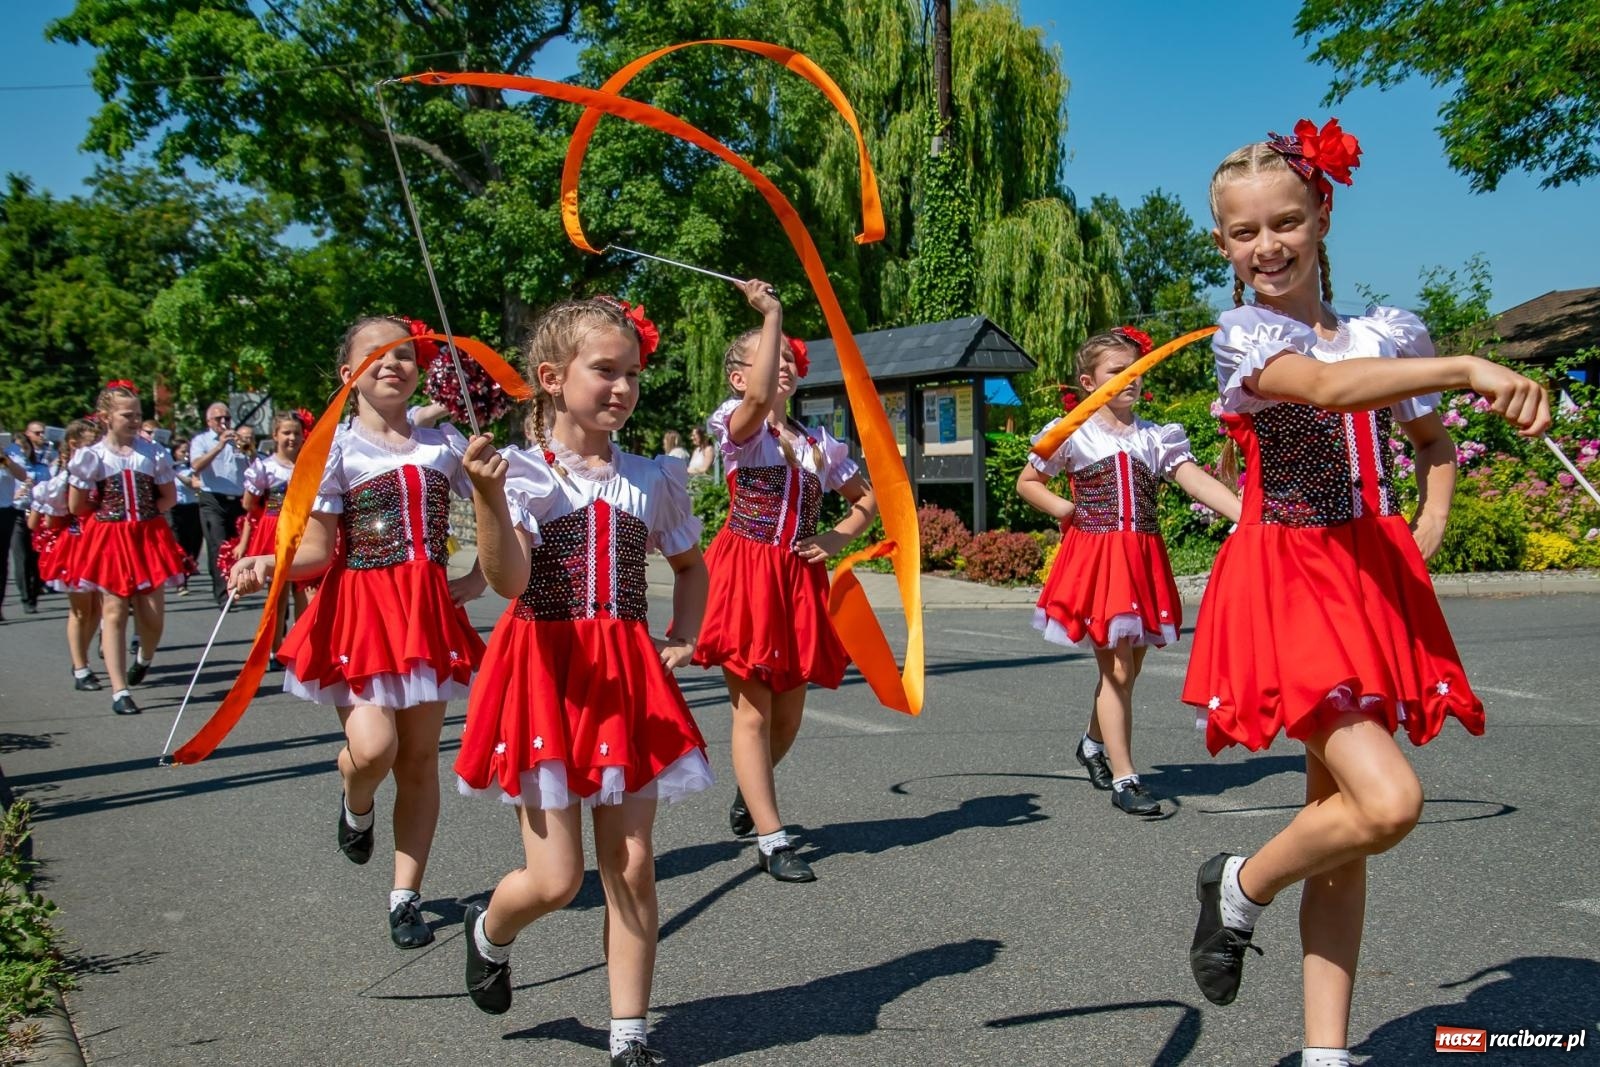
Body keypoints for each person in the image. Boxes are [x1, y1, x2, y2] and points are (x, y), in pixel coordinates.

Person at [1180, 120, 1550, 1067]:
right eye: (1244, 232)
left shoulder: (1388, 333)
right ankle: (1238, 884)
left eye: (1286, 221)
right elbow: (1328, 388)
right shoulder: (1245, 337)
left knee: (1341, 836)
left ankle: (1325, 1052)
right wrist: (1468, 366)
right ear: (1222, 243)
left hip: (1370, 583)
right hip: (1289, 579)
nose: (1268, 246)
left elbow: (1429, 441)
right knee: (1387, 803)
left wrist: (1428, 524)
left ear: (1323, 215)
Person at [452, 296, 709, 1067]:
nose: (623, 387)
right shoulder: (526, 475)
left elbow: (689, 565)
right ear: (552, 378)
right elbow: (509, 579)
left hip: (625, 679)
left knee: (631, 863)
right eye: (605, 370)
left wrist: (685, 633)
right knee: (557, 878)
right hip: (548, 676)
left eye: (632, 373)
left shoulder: (652, 478)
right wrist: (489, 497)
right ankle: (489, 930)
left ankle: (629, 1033)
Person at [230, 317, 488, 951]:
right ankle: (356, 798)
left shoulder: (444, 443)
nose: (393, 363)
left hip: (426, 614)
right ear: (349, 375)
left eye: (405, 354)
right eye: (377, 355)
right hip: (361, 614)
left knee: (419, 760)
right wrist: (269, 563)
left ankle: (405, 895)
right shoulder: (337, 449)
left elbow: (497, 509)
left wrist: (480, 574)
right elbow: (318, 550)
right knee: (374, 751)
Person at [693, 279, 877, 883]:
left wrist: (837, 538)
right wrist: (771, 313)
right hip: (745, 571)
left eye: (792, 362)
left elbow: (867, 502)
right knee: (752, 713)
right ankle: (773, 839)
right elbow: (754, 405)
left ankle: (751, 790)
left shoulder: (819, 442)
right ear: (739, 377)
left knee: (789, 718)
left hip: (797, 578)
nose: (786, 367)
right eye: (773, 359)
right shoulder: (738, 426)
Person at [1017, 327, 1241, 816]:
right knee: (1117, 668)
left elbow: (1195, 481)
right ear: (1088, 381)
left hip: (1142, 558)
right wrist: (1064, 509)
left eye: (1137, 370)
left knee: (1129, 668)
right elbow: (1029, 481)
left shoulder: (1154, 436)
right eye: (1118, 371)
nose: (1131, 379)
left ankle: (1092, 743)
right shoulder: (1074, 431)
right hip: (1098, 561)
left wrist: (1246, 517)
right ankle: (1126, 778)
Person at [65, 383, 191, 714]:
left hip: (147, 535)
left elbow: (169, 497)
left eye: (138, 414)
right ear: (106, 417)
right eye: (127, 415)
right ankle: (119, 690)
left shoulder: (152, 453)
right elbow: (77, 505)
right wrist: (111, 515)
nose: (135, 420)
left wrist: (142, 516)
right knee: (114, 610)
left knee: (153, 617)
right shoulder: (92, 456)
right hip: (109, 537)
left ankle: (144, 658)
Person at [32, 419, 104, 689]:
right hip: (76, 544)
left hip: (99, 541)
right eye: (91, 443)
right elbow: (50, 521)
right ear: (74, 444)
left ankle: (80, 659)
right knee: (81, 609)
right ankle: (81, 667)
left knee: (97, 607)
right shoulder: (64, 479)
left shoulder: (101, 472)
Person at [238, 412, 307, 647]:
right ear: (275, 435)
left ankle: (299, 646)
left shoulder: (310, 464)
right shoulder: (265, 467)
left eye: (296, 433)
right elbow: (249, 504)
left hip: (304, 530)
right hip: (276, 531)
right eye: (286, 432)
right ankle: (274, 647)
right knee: (278, 595)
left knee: (304, 590)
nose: (292, 438)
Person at [189, 402, 248, 604]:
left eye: (227, 418)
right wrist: (219, 446)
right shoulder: (201, 441)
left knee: (237, 546)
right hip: (213, 498)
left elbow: (254, 464)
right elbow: (196, 466)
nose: (223, 422)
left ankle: (235, 586)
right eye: (218, 419)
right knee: (218, 544)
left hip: (238, 499)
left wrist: (247, 448)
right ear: (209, 421)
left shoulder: (237, 440)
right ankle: (223, 594)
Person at [9, 421, 55, 613]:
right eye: (18, 448)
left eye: (25, 447)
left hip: (38, 514)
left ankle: (36, 589)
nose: (22, 451)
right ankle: (26, 597)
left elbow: (50, 490)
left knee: (37, 555)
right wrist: (14, 495)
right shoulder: (7, 464)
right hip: (17, 513)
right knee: (21, 557)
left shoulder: (41, 467)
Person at [167, 438, 203, 596]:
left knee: (193, 546)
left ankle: (188, 569)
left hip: (193, 507)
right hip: (176, 509)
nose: (186, 454)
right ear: (174, 452)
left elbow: (193, 484)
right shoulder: (169, 468)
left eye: (188, 451)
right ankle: (181, 582)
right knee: (179, 545)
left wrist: (176, 474)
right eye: (182, 451)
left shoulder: (193, 468)